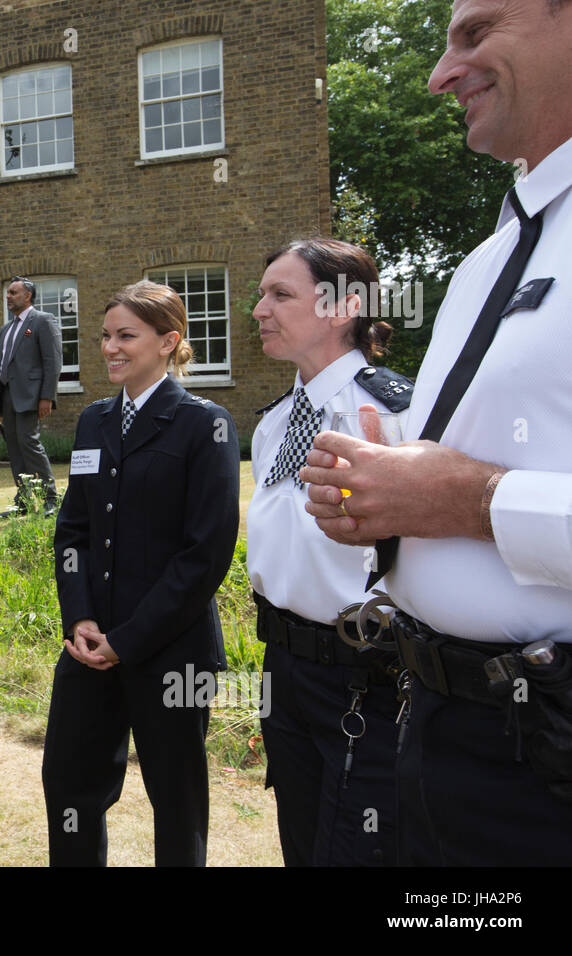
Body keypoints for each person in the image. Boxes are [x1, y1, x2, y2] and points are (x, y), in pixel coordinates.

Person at [300, 0, 572, 865]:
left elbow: (470, 487)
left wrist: (468, 501)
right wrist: (387, 495)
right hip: (443, 724)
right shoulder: (490, 257)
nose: (441, 74)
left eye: (477, 32)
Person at [43, 280, 239, 866]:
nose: (109, 347)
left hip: (169, 652)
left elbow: (204, 554)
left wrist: (126, 642)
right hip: (87, 647)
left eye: (126, 335)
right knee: (69, 783)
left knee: (176, 801)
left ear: (168, 341)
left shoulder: (204, 425)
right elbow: (73, 533)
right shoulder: (94, 423)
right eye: (105, 335)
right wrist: (79, 618)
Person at [248, 239, 410, 865]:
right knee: (300, 843)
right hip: (283, 669)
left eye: (280, 294)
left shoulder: (397, 418)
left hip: (366, 678)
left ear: (344, 306)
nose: (259, 309)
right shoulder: (272, 425)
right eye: (262, 294)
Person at [0, 277, 62, 518]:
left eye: (13, 293)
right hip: (6, 396)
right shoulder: (5, 329)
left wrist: (47, 396)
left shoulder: (42, 321)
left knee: (29, 442)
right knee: (14, 447)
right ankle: (25, 500)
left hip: (31, 396)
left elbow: (52, 361)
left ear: (27, 296)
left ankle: (51, 497)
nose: (8, 296)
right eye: (7, 293)